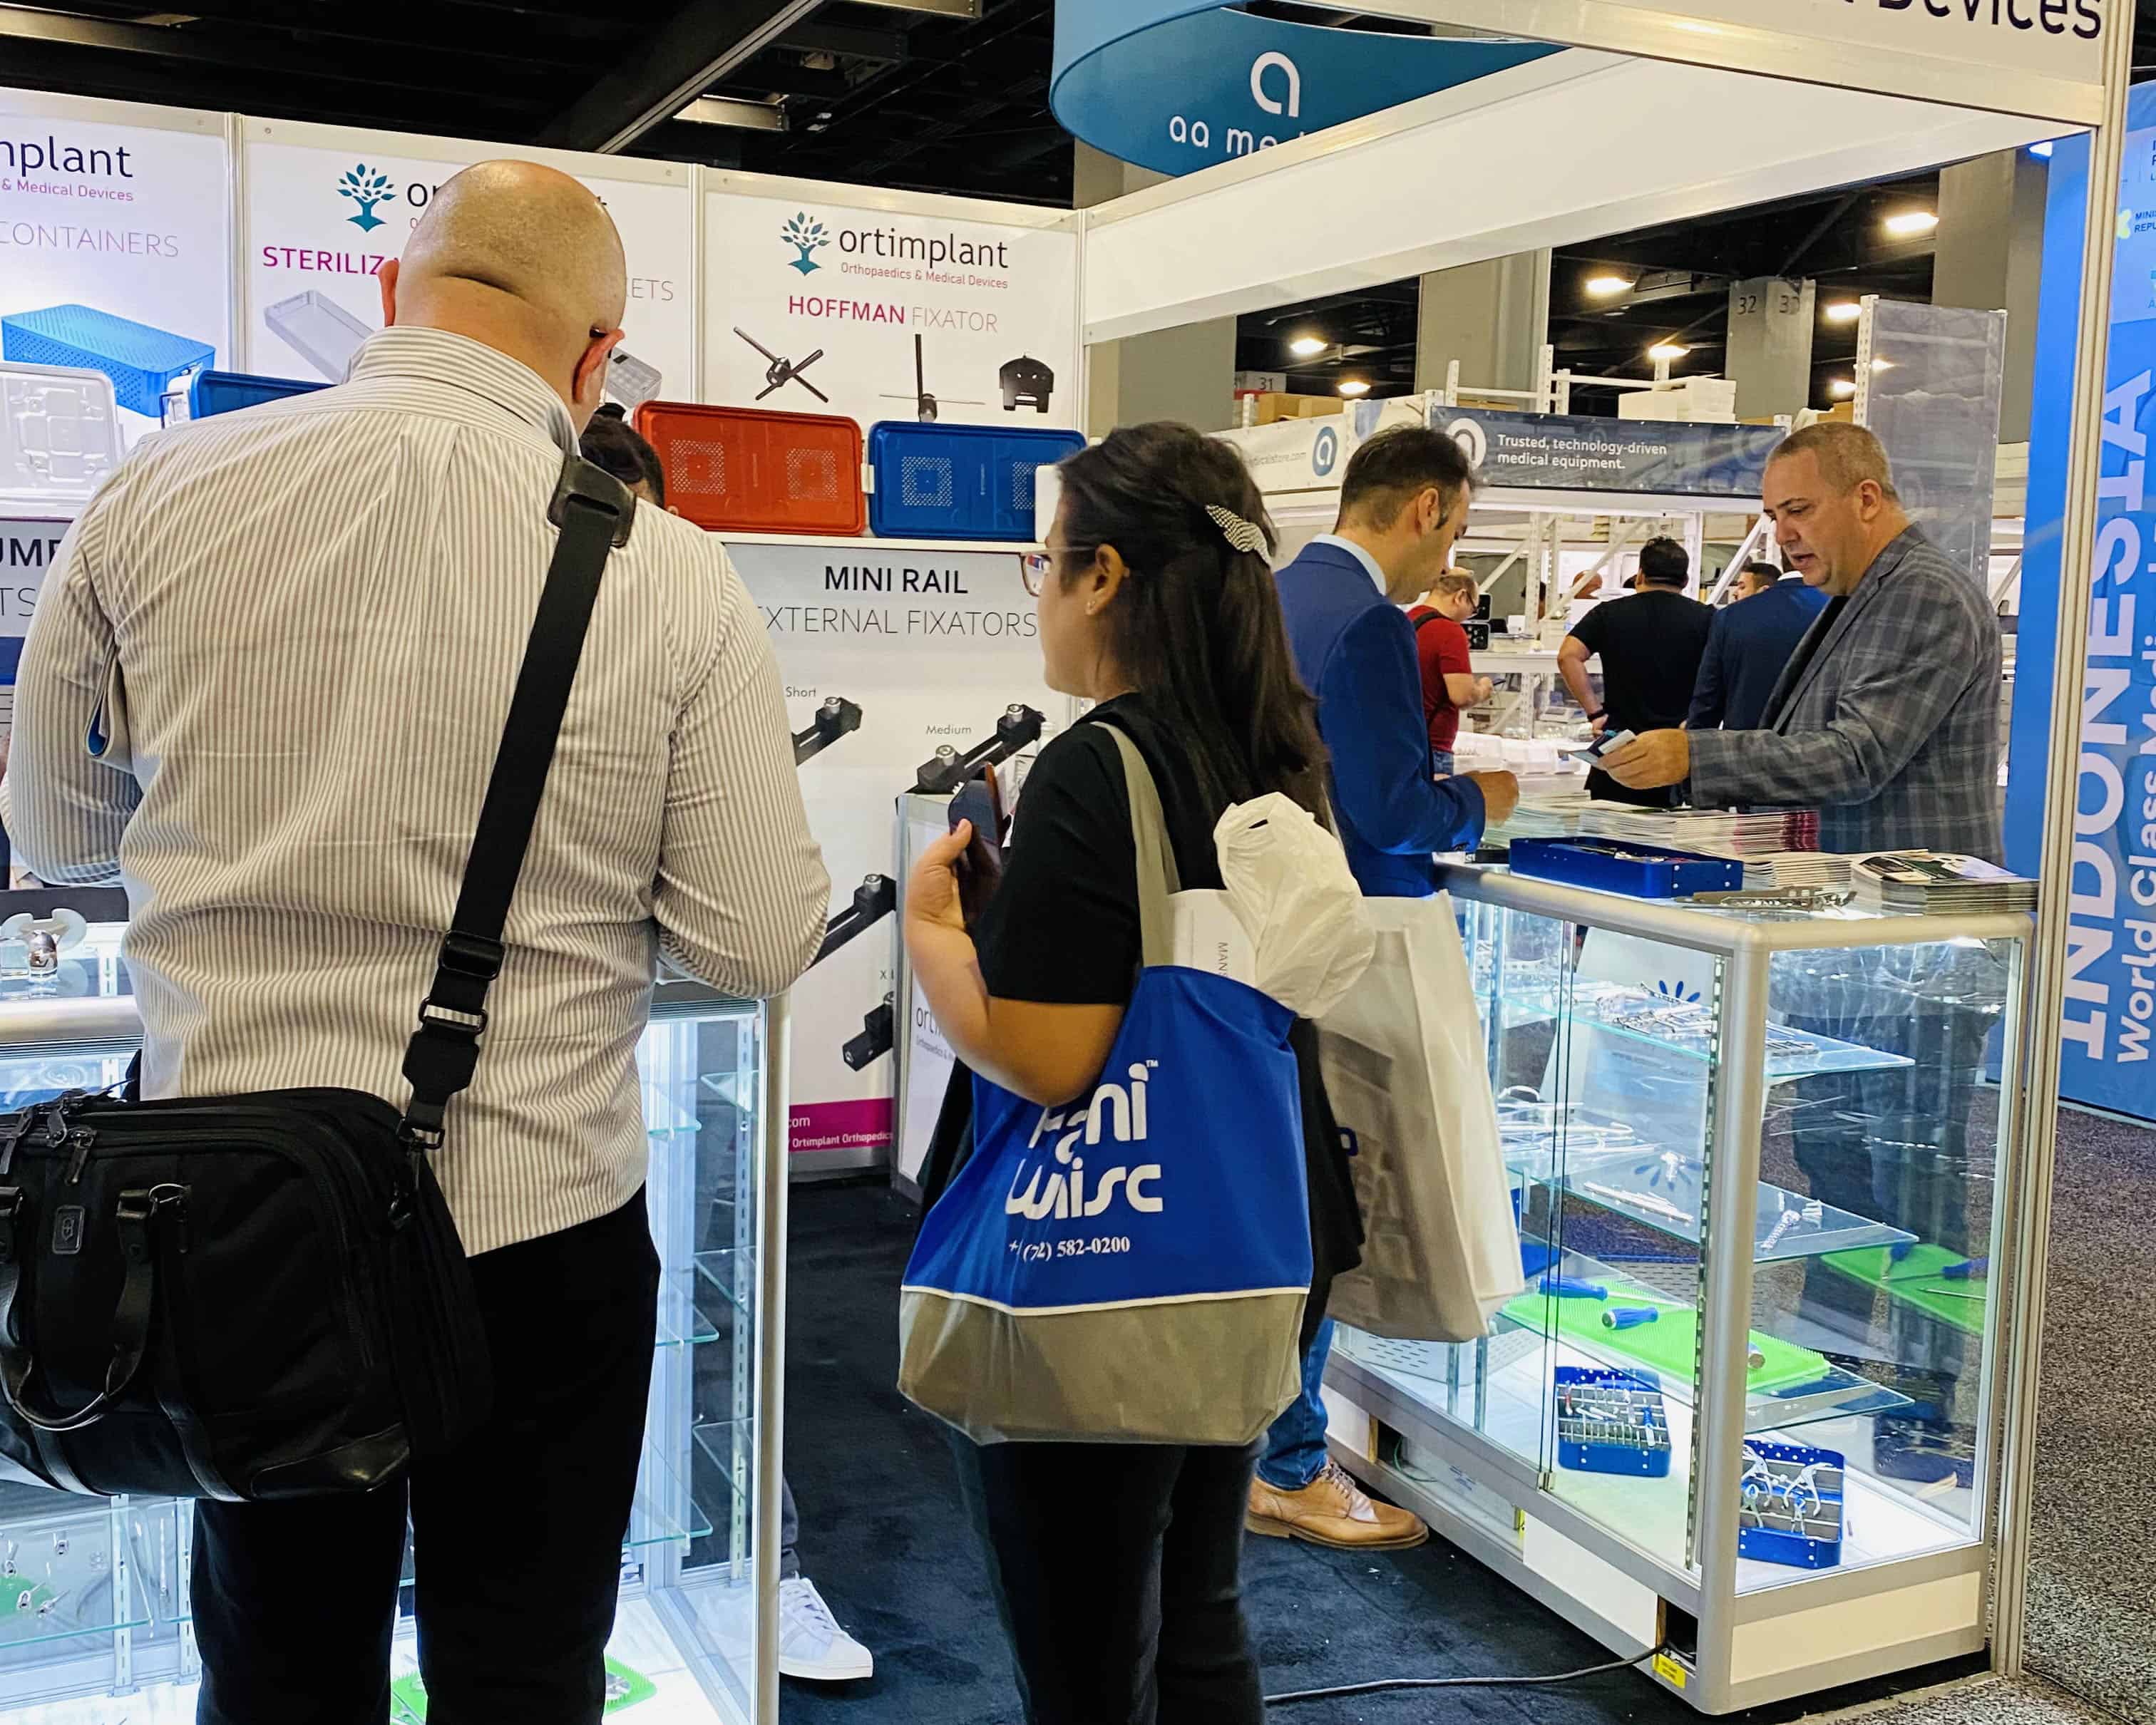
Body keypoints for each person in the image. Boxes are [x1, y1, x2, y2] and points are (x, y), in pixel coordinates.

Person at [9, 160, 830, 1724]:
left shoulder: (155, 491)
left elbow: (55, 831)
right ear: (598, 357)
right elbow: (751, 938)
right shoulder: (666, 569)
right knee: (523, 1671)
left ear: (390, 294)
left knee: (276, 1670)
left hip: (233, 1217)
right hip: (542, 1221)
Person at [905, 423, 1363, 1724]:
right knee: (1200, 1605)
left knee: (1085, 1653)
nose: (1040, 590)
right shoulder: (1268, 745)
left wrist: (937, 939)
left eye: (1045, 559)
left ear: (1102, 574)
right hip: (1249, 1228)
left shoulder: (1096, 766)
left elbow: (1048, 1061)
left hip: (1105, 1257)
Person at [577, 406, 873, 1688]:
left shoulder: (688, 619)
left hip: (671, 1053)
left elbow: (752, 922)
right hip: (540, 1095)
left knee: (711, 1311)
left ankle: (759, 1566)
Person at [1263, 424, 1517, 1553]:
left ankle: (1272, 1444)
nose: (1448, 554)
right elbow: (1393, 813)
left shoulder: (1273, 597)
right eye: (1454, 529)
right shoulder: (1369, 623)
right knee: (1342, 1202)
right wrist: (1480, 801)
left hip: (1276, 936)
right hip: (1363, 938)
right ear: (1426, 507)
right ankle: (1289, 1461)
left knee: (1296, 1196)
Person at [1602, 422, 2003, 860]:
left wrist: (1695, 756)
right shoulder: (1865, 592)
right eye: (1776, 517)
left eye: (1799, 510)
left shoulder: (1921, 592)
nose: (1782, 535)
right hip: (1861, 884)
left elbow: (1857, 757)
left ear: (1867, 500)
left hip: (1903, 889)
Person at [1557, 535, 1713, 805]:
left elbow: (1567, 656)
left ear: (1640, 575)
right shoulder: (1708, 618)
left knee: (1612, 828)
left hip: (1620, 752)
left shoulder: (1607, 614)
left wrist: (1595, 713)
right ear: (1686, 580)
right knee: (1675, 831)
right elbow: (1725, 672)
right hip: (1678, 755)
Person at [1688, 557, 1829, 732]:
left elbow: (1707, 700)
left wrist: (1693, 740)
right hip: (1820, 743)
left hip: (1742, 742)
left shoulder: (1729, 617)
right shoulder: (1841, 608)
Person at [1406, 569, 1492, 776]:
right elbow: (1462, 696)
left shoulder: (1405, 621)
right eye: (1473, 609)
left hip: (1403, 742)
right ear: (1460, 596)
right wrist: (1482, 690)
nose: (1469, 616)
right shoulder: (1449, 631)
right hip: (1432, 748)